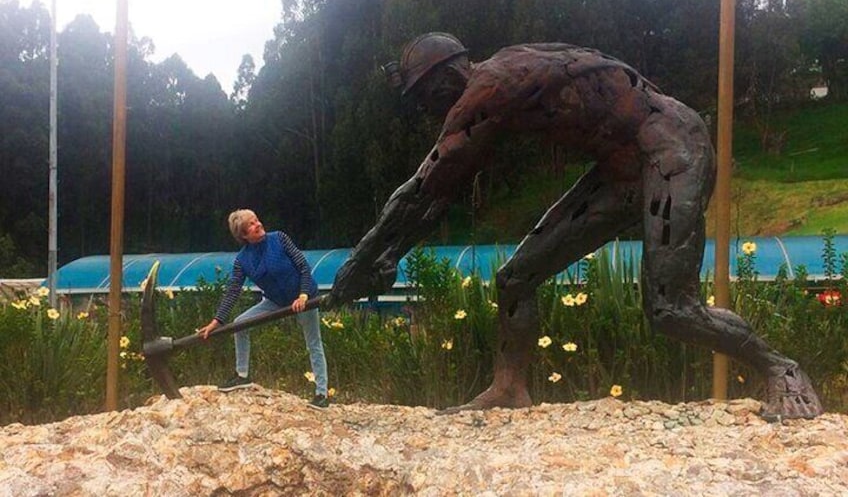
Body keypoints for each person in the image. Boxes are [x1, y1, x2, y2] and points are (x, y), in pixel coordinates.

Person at [327, 32, 822, 419]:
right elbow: (436, 193)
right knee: (516, 278)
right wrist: (387, 256)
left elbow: (426, 185)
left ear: (445, 76)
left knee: (671, 309)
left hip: (672, 149)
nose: (427, 109)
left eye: (424, 97)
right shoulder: (497, 74)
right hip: (621, 166)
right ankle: (508, 386)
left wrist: (359, 263)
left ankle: (780, 368)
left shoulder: (493, 84)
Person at [198, 209, 329, 408]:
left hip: (304, 296)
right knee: (239, 324)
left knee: (313, 342)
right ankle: (242, 375)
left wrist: (303, 294)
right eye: (251, 225)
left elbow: (303, 266)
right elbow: (233, 289)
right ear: (243, 235)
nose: (258, 225)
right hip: (275, 301)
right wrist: (217, 321)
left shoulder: (279, 238)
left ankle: (322, 394)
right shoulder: (242, 260)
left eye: (257, 220)